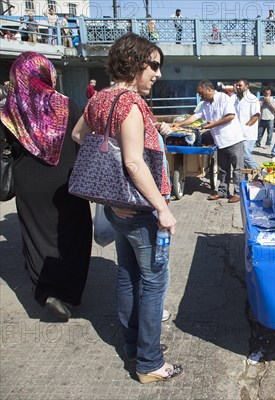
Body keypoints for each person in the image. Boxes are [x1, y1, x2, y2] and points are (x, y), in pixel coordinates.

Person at [71, 33, 182, 383]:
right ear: (134, 64)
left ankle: (133, 346)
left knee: (126, 274)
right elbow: (134, 163)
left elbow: (78, 136)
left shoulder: (100, 98)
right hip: (141, 210)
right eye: (153, 66)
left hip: (116, 208)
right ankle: (149, 362)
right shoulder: (129, 103)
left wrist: (109, 185)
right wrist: (162, 209)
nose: (158, 74)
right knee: (153, 283)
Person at [0, 52, 92, 321]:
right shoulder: (67, 104)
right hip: (66, 180)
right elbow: (81, 141)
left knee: (36, 237)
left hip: (28, 183)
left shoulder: (8, 110)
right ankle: (70, 293)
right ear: (47, 74)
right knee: (74, 233)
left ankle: (47, 293)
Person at [195, 80, 244, 203]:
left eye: (201, 93)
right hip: (220, 141)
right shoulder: (205, 104)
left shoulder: (223, 98)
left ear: (209, 90)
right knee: (223, 169)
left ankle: (238, 193)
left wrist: (212, 125)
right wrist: (178, 124)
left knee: (237, 169)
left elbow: (230, 116)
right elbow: (195, 116)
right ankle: (222, 191)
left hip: (233, 139)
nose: (200, 96)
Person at [234, 79, 260, 171]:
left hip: (248, 134)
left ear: (246, 86)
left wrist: (245, 127)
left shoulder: (253, 99)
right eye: (237, 85)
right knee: (241, 158)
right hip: (238, 134)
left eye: (240, 85)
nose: (238, 87)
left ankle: (259, 174)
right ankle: (243, 179)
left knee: (246, 156)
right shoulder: (236, 99)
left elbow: (256, 116)